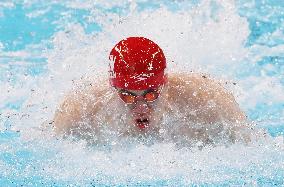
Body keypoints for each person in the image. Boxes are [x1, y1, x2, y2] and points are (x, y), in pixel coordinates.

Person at [53, 37, 252, 146]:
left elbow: (251, 146)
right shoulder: (80, 109)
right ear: (113, 89)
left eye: (150, 95)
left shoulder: (207, 101)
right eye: (127, 96)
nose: (141, 108)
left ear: (164, 86)